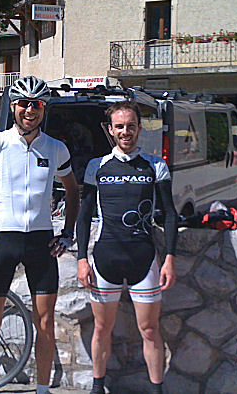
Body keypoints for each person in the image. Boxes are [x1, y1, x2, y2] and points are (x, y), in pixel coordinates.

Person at [0, 76, 79, 394]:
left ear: (43, 108)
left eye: (36, 104)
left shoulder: (56, 148)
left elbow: (74, 192)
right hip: (1, 242)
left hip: (40, 243)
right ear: (13, 106)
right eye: (23, 103)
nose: (30, 110)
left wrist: (67, 233)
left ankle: (43, 389)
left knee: (45, 324)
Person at [76, 101, 178, 394]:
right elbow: (84, 216)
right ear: (110, 130)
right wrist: (82, 259)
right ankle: (98, 387)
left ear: (139, 128)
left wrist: (169, 258)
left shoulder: (155, 165)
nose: (125, 131)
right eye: (119, 126)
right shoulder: (97, 166)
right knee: (101, 329)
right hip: (105, 257)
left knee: (149, 330)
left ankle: (156, 389)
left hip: (143, 259)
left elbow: (170, 214)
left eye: (130, 126)